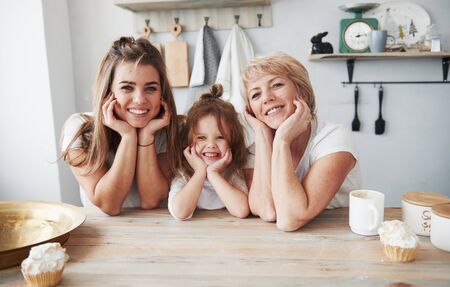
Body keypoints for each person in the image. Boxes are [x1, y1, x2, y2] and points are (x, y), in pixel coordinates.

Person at [61, 37, 181, 215]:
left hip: (160, 232)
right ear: (109, 91)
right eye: (126, 88)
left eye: (150, 88)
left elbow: (151, 200)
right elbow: (109, 204)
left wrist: (146, 136)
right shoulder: (80, 129)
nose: (140, 99)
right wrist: (128, 136)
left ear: (161, 93)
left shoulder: (169, 129)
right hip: (102, 237)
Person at [242, 52, 361, 231]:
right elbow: (268, 211)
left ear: (303, 92)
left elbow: (289, 219)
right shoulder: (255, 148)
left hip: (339, 238)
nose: (267, 98)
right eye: (256, 95)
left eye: (277, 85)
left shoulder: (334, 138)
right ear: (251, 110)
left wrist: (282, 141)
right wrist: (262, 135)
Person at [168, 84, 250, 220]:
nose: (211, 145)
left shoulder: (233, 172)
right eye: (201, 138)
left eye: (220, 137)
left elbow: (241, 210)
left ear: (232, 142)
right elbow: (180, 212)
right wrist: (200, 172)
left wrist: (213, 173)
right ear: (188, 143)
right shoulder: (184, 174)